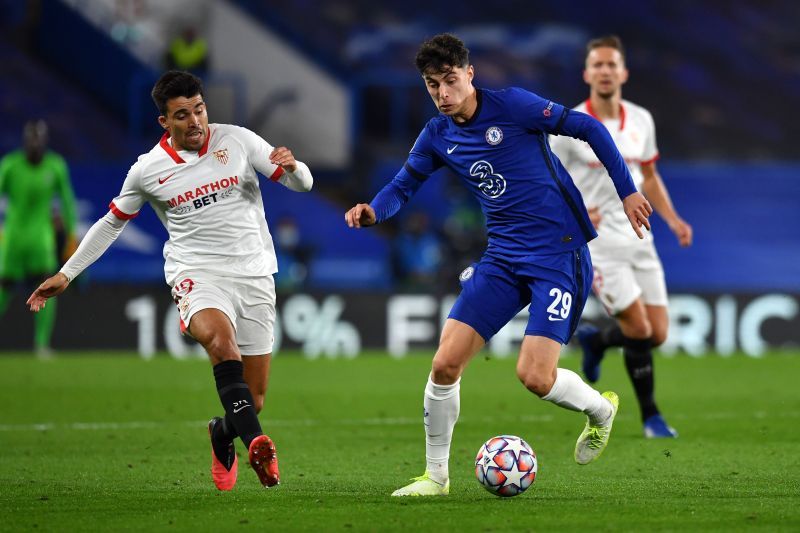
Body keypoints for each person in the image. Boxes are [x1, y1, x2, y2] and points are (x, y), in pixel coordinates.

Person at [344, 34, 653, 496]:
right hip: (504, 257)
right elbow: (402, 185)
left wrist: (627, 190)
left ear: (470, 74)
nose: (443, 94)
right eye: (433, 85)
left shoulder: (514, 106)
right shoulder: (437, 135)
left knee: (534, 377)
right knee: (445, 364)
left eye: (450, 81)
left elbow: (589, 129)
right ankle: (436, 477)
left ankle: (600, 411)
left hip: (558, 255)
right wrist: (374, 210)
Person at [27, 71, 314, 490]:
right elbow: (111, 224)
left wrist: (296, 167)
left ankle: (223, 432)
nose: (195, 121)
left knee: (252, 401)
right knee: (220, 342)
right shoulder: (148, 170)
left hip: (253, 274)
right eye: (182, 115)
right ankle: (258, 444)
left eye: (199, 109)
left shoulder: (237, 140)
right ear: (165, 121)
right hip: (196, 274)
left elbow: (302, 183)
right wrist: (67, 273)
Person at [550, 35, 692, 439]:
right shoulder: (570, 124)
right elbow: (550, 179)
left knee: (658, 333)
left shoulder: (642, 120)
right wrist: (573, 212)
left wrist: (674, 220)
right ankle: (651, 417)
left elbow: (649, 177)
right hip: (601, 246)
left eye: (612, 64)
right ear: (587, 73)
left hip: (641, 240)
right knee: (640, 329)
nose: (605, 71)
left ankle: (595, 342)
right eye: (598, 65)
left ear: (623, 72)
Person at [0, 120, 78, 356]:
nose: (34, 144)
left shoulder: (55, 166)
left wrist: (71, 237)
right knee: (4, 286)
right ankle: (41, 346)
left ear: (44, 141)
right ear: (25, 141)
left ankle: (41, 345)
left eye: (38, 139)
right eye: (31, 139)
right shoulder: (10, 165)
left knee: (47, 287)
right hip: (13, 239)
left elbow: (66, 203)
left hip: (41, 240)